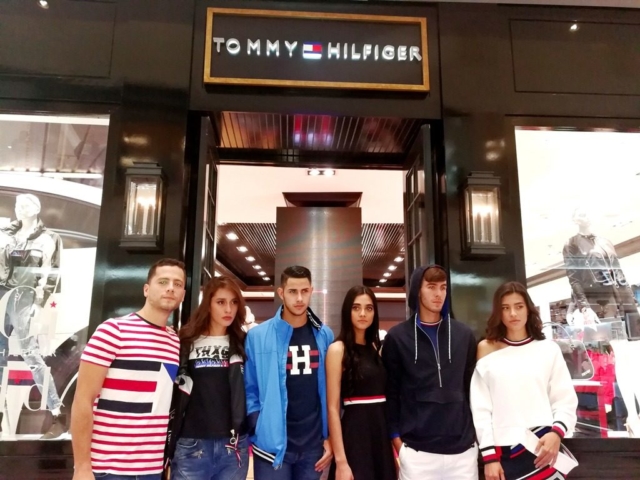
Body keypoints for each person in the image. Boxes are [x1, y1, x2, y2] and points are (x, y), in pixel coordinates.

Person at [70, 258, 186, 480]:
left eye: (177, 284)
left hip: (152, 469)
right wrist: (82, 467)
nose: (171, 288)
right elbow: (83, 400)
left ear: (182, 295)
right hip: (107, 468)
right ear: (146, 289)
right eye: (163, 282)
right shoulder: (113, 330)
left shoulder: (174, 341)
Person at [470, 281, 578, 480]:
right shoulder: (486, 350)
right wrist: (489, 457)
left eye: (519, 306)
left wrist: (556, 433)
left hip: (545, 448)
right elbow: (481, 409)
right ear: (498, 313)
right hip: (503, 453)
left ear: (528, 309)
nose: (513, 313)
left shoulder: (548, 350)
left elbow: (564, 399)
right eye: (505, 308)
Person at [382, 265, 478, 480]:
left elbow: (472, 389)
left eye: (443, 288)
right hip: (416, 453)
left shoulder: (464, 335)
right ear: (418, 290)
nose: (438, 294)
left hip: (462, 453)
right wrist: (396, 440)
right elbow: (391, 392)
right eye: (431, 287)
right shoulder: (397, 338)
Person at [244, 265, 334, 479]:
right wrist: (259, 426)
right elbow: (249, 388)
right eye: (293, 291)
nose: (299, 298)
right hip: (271, 448)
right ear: (281, 293)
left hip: (312, 446)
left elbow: (332, 391)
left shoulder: (324, 335)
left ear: (311, 291)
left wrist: (329, 435)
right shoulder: (257, 336)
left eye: (304, 291)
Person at [166, 276, 249, 480]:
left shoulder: (243, 342)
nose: (228, 309)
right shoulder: (186, 341)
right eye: (221, 302)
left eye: (234, 302)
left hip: (233, 446)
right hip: (192, 444)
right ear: (208, 305)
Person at [0, 193, 64, 439]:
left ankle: (57, 414)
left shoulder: (50, 238)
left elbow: (53, 274)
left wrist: (41, 304)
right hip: (2, 295)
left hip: (25, 297)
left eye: (25, 205)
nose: (20, 209)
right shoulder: (5, 233)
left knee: (32, 355)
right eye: (18, 205)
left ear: (36, 209)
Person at [326, 285, 396, 480]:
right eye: (356, 308)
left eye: (369, 308)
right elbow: (332, 408)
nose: (363, 313)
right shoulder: (337, 350)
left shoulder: (377, 348)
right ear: (347, 311)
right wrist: (341, 461)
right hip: (355, 437)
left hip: (380, 435)